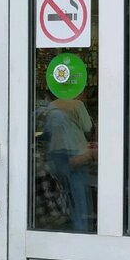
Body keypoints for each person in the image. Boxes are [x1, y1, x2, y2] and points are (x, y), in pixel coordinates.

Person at [42, 97, 96, 232]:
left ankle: (65, 227)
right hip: (75, 149)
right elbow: (87, 126)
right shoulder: (78, 104)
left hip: (55, 151)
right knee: (79, 195)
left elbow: (47, 130)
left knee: (61, 191)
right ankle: (81, 230)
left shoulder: (52, 105)